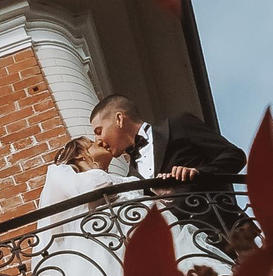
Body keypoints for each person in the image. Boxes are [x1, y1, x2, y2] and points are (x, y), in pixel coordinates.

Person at [89, 94, 245, 245]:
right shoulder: (131, 176)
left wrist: (198, 173)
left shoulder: (178, 124)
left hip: (226, 233)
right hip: (187, 250)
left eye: (98, 131)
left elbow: (235, 156)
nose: (98, 140)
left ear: (119, 119)